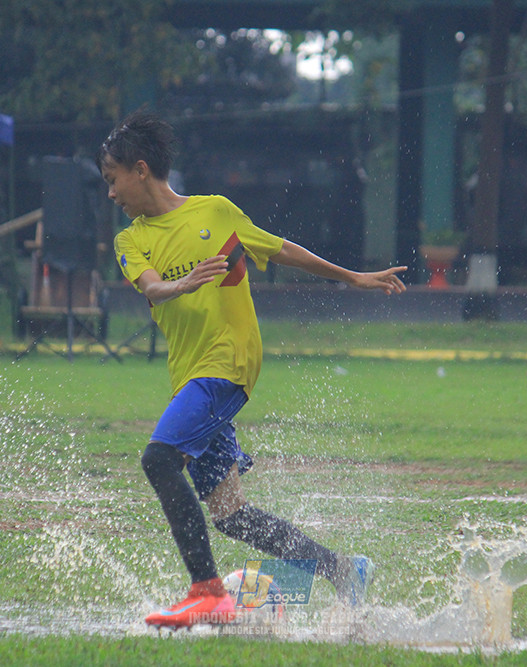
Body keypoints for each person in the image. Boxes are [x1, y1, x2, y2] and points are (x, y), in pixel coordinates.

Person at [100, 110, 406, 628]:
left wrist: (351, 277)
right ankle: (343, 570)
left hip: (228, 365)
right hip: (191, 376)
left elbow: (280, 248)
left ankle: (207, 591)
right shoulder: (130, 240)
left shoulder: (215, 212)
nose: (111, 193)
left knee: (157, 460)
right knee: (230, 514)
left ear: (141, 169)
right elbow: (152, 286)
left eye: (112, 180)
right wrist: (184, 283)